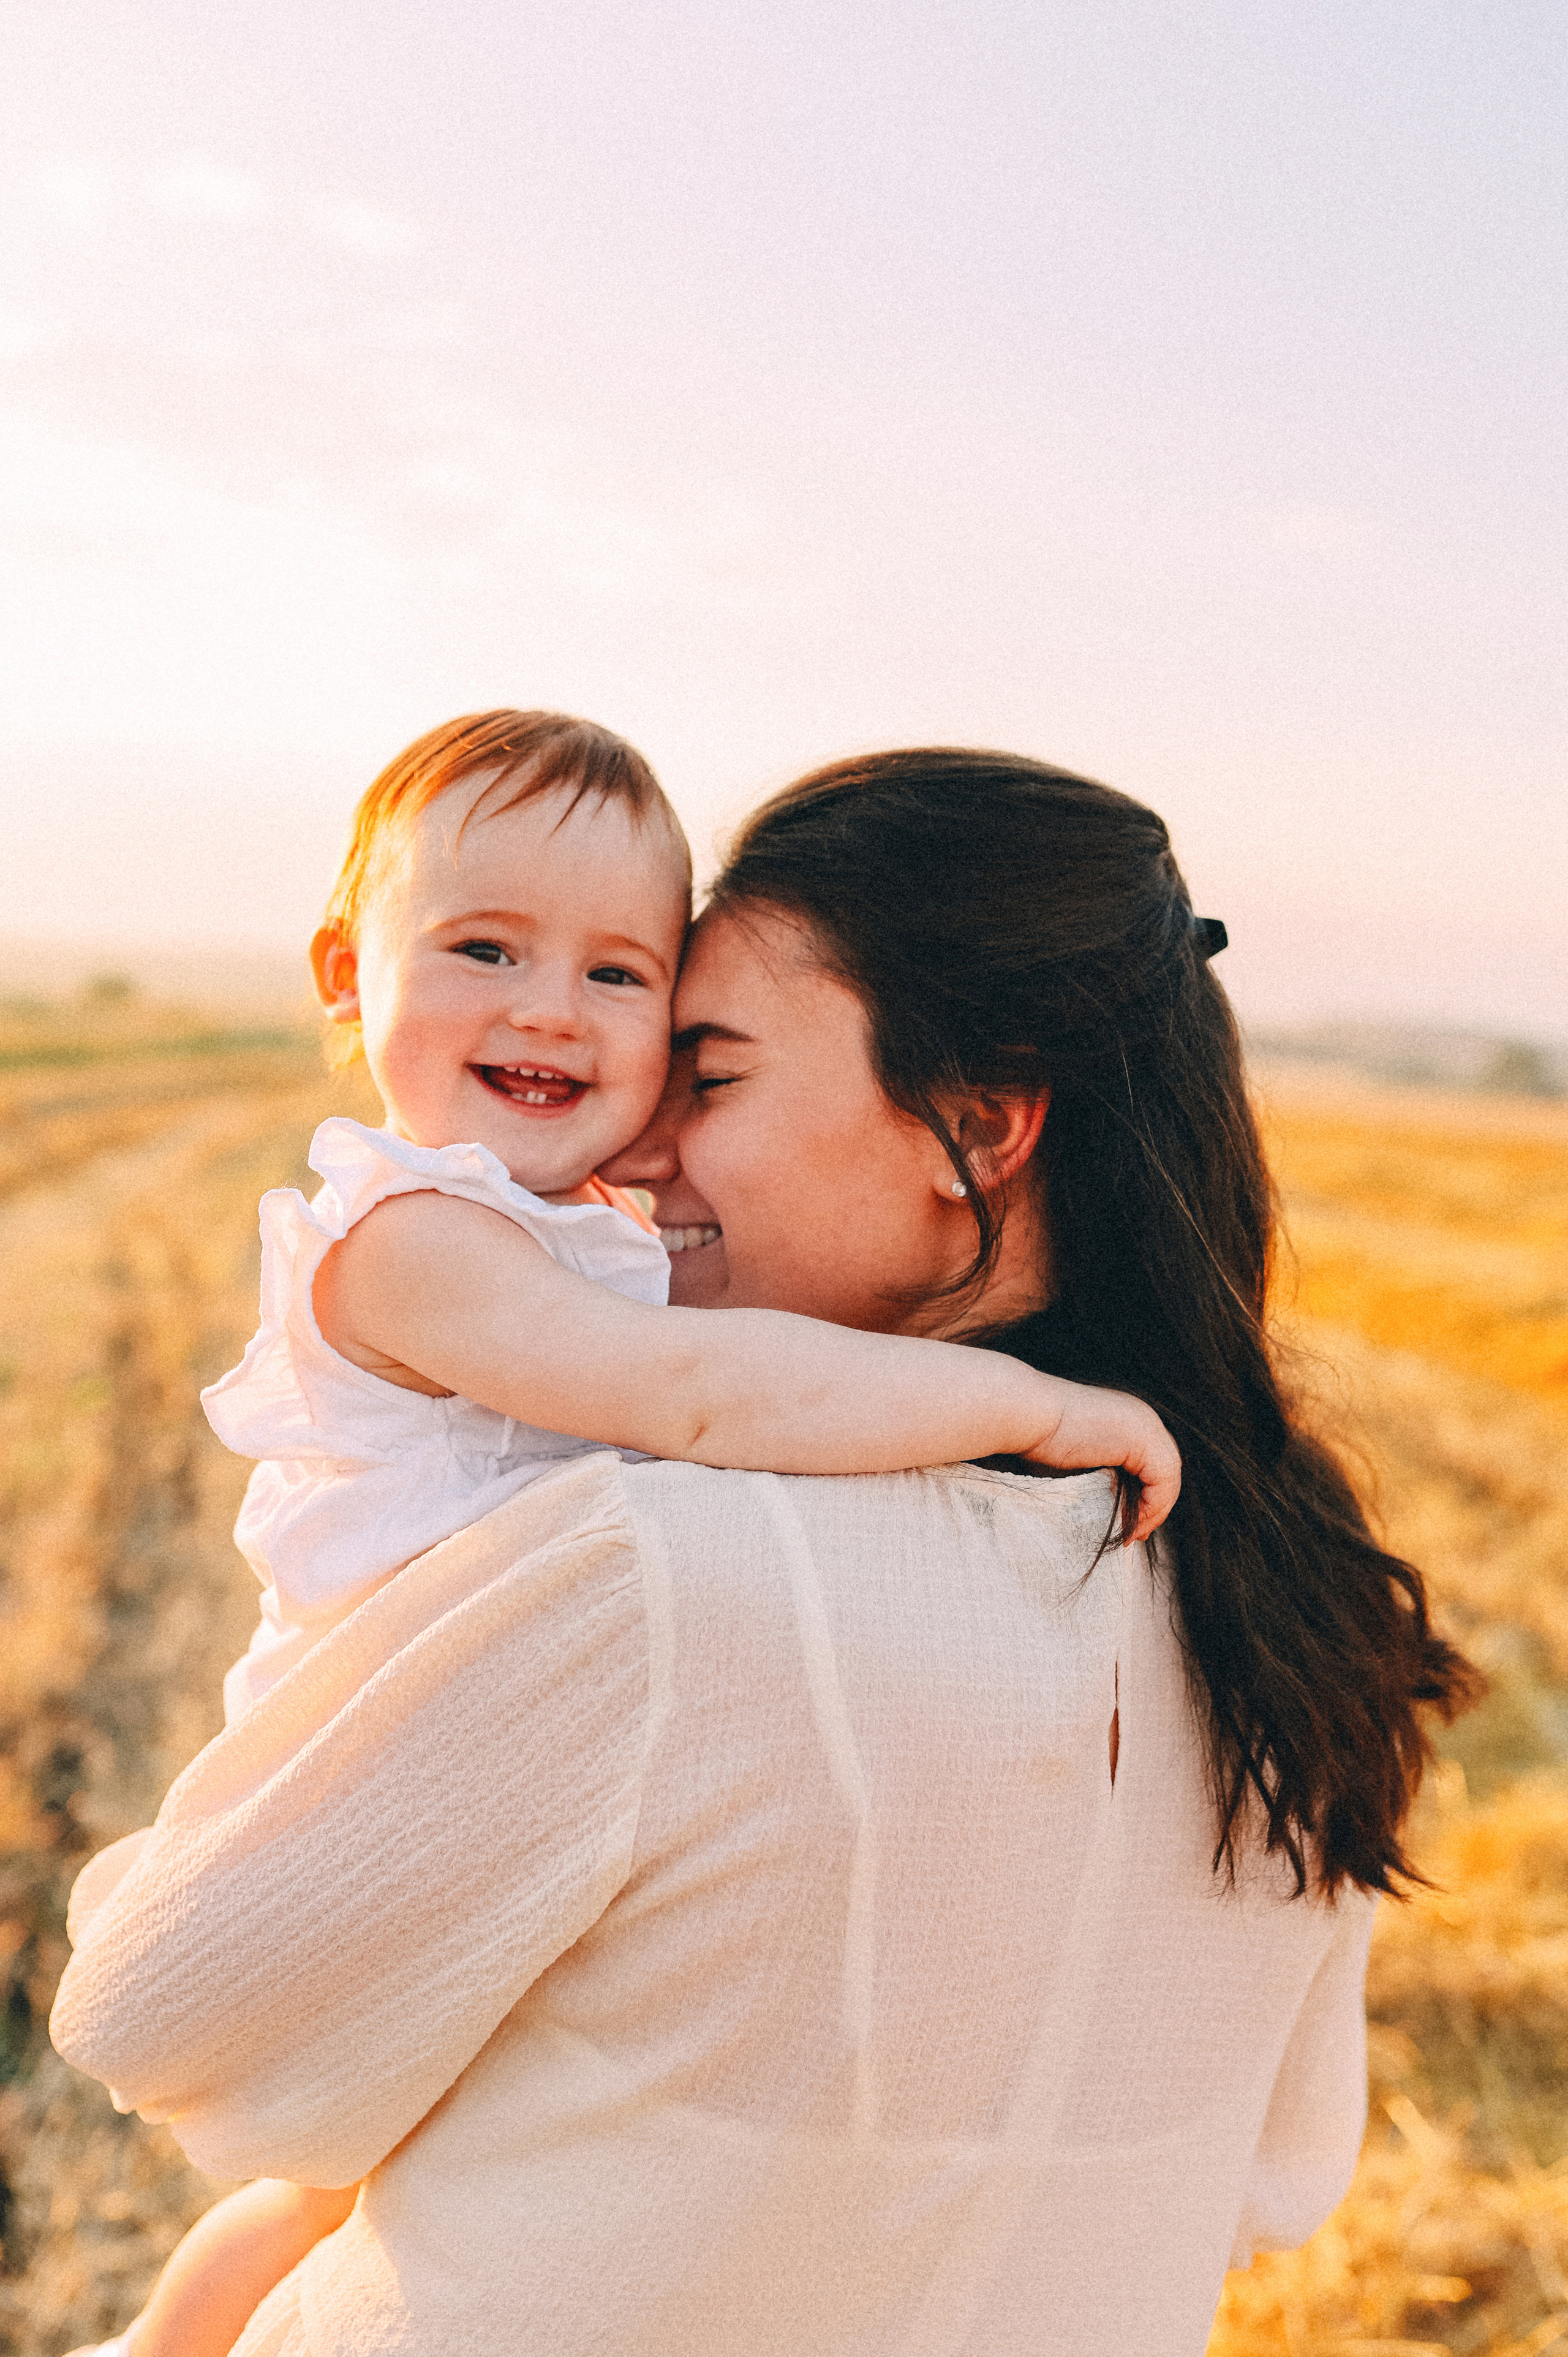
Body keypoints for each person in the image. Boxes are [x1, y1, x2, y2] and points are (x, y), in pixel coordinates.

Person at [53, 746, 1475, 2357]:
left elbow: (170, 2027)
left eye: (710, 1078)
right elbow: (1274, 2181)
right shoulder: (1302, 1617)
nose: (638, 1153)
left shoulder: (664, 1574)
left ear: (977, 1125)